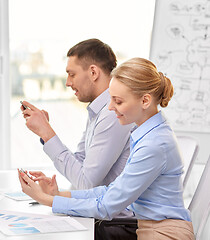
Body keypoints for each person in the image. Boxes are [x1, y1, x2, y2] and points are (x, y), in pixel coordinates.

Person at [18, 57, 195, 240]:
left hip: (164, 234)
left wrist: (46, 200)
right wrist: (59, 194)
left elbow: (107, 206)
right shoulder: (146, 135)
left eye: (118, 101)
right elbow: (110, 190)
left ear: (145, 101)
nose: (110, 107)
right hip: (150, 229)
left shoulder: (154, 144)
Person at [21, 39, 133, 190]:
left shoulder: (112, 113)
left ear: (93, 72)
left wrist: (46, 132)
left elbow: (86, 183)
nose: (67, 82)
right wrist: (44, 131)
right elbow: (80, 163)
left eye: (72, 74)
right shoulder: (98, 110)